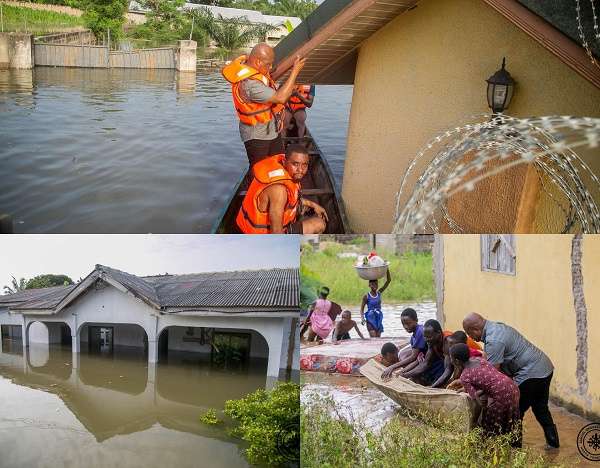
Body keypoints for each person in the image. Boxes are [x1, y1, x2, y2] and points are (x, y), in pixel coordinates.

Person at [462, 312, 559, 448]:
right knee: (540, 408)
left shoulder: (494, 340)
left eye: (469, 333)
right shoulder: (497, 327)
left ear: (475, 329)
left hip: (530, 373)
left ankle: (514, 448)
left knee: (515, 411)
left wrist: (473, 390)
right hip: (544, 367)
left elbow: (493, 376)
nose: (469, 337)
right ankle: (553, 444)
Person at [222, 43, 306, 167]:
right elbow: (281, 98)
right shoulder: (250, 84)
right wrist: (295, 71)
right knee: (260, 170)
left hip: (271, 130)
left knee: (278, 163)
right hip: (257, 135)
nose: (271, 67)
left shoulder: (256, 72)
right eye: (268, 64)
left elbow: (270, 75)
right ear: (257, 62)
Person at [235, 144, 328, 234]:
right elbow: (276, 233)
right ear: (284, 162)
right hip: (262, 237)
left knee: (305, 210)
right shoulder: (279, 191)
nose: (300, 170)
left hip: (249, 228)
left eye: (304, 165)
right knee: (319, 224)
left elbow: (294, 198)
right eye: (295, 164)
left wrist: (313, 204)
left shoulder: (287, 175)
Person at [450, 343, 521, 437]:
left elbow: (476, 400)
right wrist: (466, 389)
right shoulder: (479, 360)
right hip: (512, 386)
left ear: (456, 361)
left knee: (490, 424)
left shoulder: (465, 376)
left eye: (451, 358)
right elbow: (488, 382)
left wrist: (479, 414)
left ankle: (493, 447)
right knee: (510, 419)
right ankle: (513, 445)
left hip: (501, 394)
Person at [392, 319, 446, 386]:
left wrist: (433, 387)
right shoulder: (431, 343)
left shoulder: (447, 342)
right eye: (425, 337)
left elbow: (448, 369)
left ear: (438, 333)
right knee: (417, 374)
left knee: (440, 366)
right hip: (440, 363)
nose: (426, 340)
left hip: (446, 366)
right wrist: (404, 375)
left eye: (429, 337)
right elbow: (425, 363)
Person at [381, 308, 427, 378]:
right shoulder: (413, 337)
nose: (406, 326)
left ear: (416, 320)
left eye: (408, 323)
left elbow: (413, 357)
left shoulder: (419, 332)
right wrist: (403, 371)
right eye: (403, 324)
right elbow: (417, 359)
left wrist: (392, 367)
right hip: (423, 361)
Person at [360, 269, 391, 338]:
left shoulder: (379, 293)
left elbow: (388, 281)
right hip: (370, 318)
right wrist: (362, 318)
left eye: (376, 284)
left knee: (378, 339)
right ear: (369, 285)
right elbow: (362, 309)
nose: (375, 286)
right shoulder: (366, 296)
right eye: (373, 284)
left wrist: (386, 269)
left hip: (378, 317)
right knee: (373, 339)